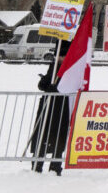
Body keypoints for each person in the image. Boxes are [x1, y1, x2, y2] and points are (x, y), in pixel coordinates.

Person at [29, 41, 70, 176]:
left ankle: (56, 165)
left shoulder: (70, 67)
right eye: (60, 55)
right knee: (41, 135)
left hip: (62, 107)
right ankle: (37, 164)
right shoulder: (53, 66)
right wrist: (47, 85)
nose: (61, 58)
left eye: (64, 55)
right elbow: (43, 84)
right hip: (48, 106)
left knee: (59, 137)